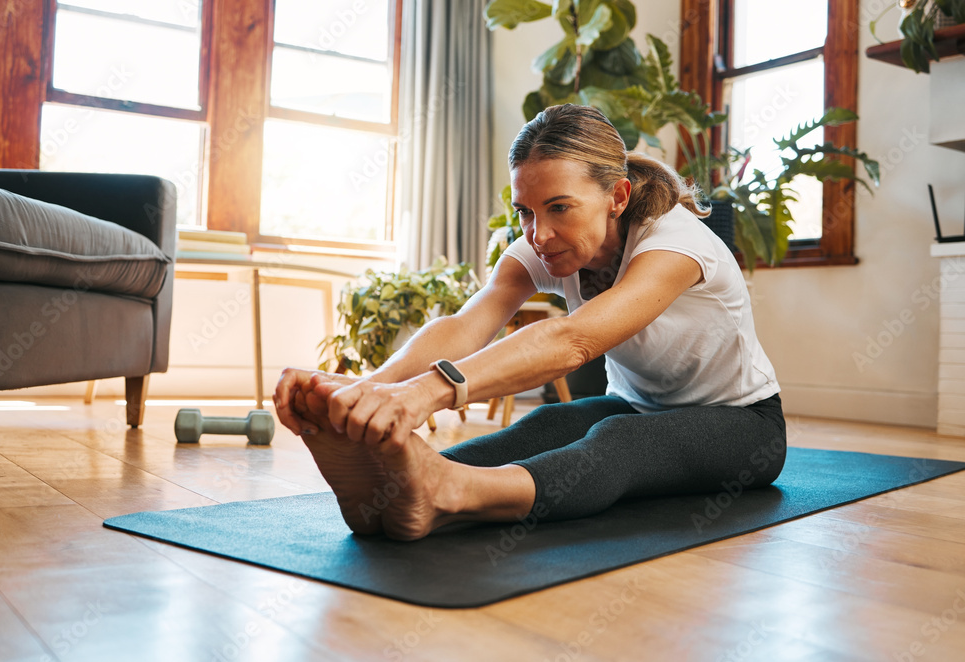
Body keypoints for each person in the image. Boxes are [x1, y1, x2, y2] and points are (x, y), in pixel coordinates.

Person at [273, 103, 786, 541]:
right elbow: (467, 322)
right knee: (549, 423)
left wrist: (422, 395)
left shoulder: (676, 245)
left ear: (619, 197)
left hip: (745, 426)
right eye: (526, 212)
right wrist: (367, 390)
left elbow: (574, 341)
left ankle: (450, 492)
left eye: (560, 208)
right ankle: (400, 488)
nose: (539, 234)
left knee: (618, 444)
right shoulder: (547, 242)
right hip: (636, 406)